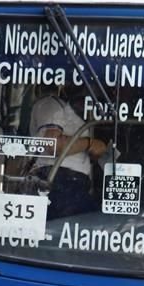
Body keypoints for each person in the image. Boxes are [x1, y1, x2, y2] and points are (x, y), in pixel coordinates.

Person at [28, 88, 108, 219]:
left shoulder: (72, 114)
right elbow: (53, 144)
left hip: (74, 183)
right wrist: (90, 144)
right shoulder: (50, 104)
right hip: (58, 180)